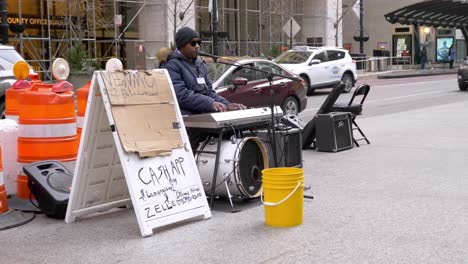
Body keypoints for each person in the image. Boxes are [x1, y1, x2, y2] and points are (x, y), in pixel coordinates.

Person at [164, 27, 246, 150]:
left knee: (232, 133)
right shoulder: (172, 65)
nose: (197, 46)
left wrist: (227, 105)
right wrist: (210, 103)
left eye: (199, 43)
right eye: (193, 43)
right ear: (182, 45)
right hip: (187, 122)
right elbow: (181, 95)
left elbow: (210, 92)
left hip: (204, 116)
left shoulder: (200, 64)